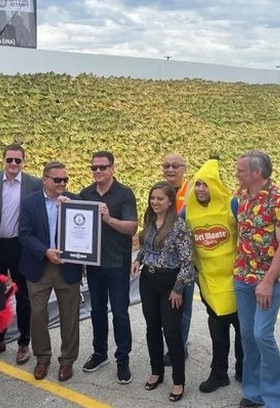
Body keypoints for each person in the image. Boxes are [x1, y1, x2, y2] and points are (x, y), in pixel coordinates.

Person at [233, 150, 280, 408]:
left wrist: (268, 281)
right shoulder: (240, 196)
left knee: (262, 335)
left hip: (268, 281)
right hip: (242, 277)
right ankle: (253, 392)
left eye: (240, 170)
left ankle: (275, 400)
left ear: (256, 173)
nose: (236, 174)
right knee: (248, 335)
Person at [0, 143, 43, 364]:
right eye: (9, 160)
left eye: (17, 160)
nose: (13, 164)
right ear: (3, 160)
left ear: (23, 161)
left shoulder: (34, 183)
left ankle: (24, 343)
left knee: (23, 296)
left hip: (21, 246)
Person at [182, 158, 243, 393]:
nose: (200, 189)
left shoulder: (232, 205)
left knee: (241, 329)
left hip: (237, 280)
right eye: (197, 184)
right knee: (217, 330)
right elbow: (177, 237)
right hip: (209, 283)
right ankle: (219, 373)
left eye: (206, 184)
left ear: (215, 186)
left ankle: (243, 369)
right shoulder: (188, 212)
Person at [19, 161, 82, 382]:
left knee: (70, 317)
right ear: (45, 179)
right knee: (37, 315)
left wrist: (70, 209)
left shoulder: (76, 201)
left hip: (68, 268)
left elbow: (85, 234)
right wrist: (45, 251)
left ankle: (67, 361)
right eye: (57, 180)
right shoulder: (29, 202)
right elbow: (24, 234)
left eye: (66, 179)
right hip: (39, 266)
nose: (62, 183)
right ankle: (42, 358)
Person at [131, 181, 193, 402]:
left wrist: (178, 290)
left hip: (171, 284)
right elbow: (146, 248)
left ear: (169, 202)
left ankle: (178, 381)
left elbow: (187, 263)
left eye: (160, 199)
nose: (154, 202)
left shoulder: (179, 227)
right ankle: (156, 371)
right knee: (152, 329)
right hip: (148, 280)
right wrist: (138, 260)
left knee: (172, 332)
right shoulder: (149, 221)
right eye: (152, 198)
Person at [80, 151, 138, 384]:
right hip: (94, 264)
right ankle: (100, 352)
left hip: (117, 263)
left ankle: (122, 359)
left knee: (121, 312)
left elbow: (132, 227)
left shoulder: (124, 194)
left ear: (112, 168)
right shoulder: (86, 194)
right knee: (97, 311)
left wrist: (109, 219)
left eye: (102, 167)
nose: (98, 171)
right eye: (94, 167)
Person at [162, 152, 194, 364]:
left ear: (184, 168)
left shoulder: (192, 190)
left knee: (183, 306)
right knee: (168, 306)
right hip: (165, 261)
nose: (170, 170)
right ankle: (174, 344)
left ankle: (179, 348)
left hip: (187, 259)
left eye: (175, 166)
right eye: (166, 166)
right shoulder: (160, 190)